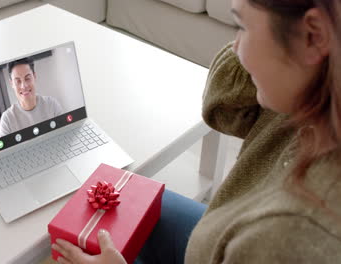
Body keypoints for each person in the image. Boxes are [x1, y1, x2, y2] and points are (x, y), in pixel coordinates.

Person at [52, 0, 341, 263]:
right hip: (221, 234)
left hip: (233, 244)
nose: (235, 48)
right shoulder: (312, 90)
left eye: (241, 26)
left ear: (313, 36)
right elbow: (222, 106)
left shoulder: (288, 236)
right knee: (125, 206)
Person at [0, 57, 63, 137]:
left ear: (34, 77)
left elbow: (65, 136)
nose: (24, 86)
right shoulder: (7, 119)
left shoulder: (52, 105)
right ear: (12, 83)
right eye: (18, 81)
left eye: (27, 78)